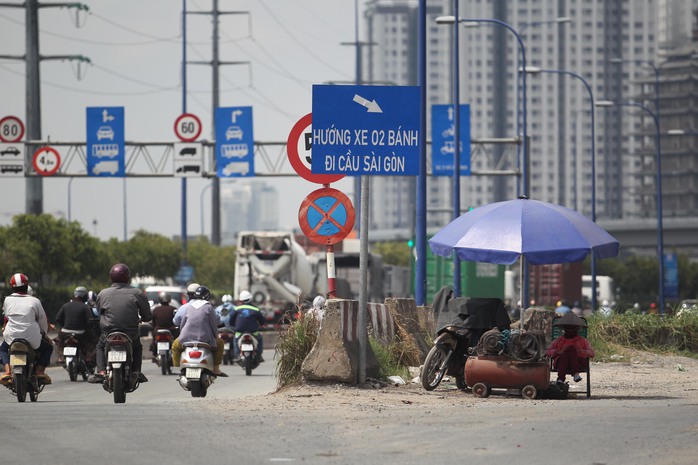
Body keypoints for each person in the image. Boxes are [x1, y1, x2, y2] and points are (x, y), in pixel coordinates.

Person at [88, 263, 152, 384]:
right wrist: (144, 318)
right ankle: (136, 371)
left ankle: (101, 371)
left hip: (108, 332)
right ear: (128, 277)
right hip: (130, 333)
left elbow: (100, 311)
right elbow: (147, 316)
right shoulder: (137, 293)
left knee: (100, 346)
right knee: (137, 347)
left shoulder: (103, 294)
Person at [1, 273, 54, 385]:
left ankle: (7, 371)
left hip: (11, 337)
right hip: (32, 338)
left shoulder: (7, 300)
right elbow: (43, 321)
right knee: (48, 347)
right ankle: (39, 371)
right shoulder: (35, 301)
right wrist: (45, 335)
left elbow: (6, 317)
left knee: (2, 349)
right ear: (27, 285)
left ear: (13, 287)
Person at [170, 285, 227, 376]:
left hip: (186, 339)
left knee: (175, 346)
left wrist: (182, 335)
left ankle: (178, 367)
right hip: (204, 339)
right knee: (220, 344)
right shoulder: (208, 307)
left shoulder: (189, 307)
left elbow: (182, 323)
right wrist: (216, 336)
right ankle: (216, 369)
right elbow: (214, 324)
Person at [54, 286, 98, 368]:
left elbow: (58, 318)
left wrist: (64, 326)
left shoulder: (65, 305)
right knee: (93, 340)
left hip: (65, 332)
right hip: (81, 333)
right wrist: (87, 327)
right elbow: (90, 321)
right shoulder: (85, 307)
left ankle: (60, 358)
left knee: (59, 342)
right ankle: (88, 357)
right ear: (84, 296)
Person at [546, 312, 595, 385]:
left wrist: (579, 351)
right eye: (568, 328)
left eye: (572, 328)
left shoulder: (582, 340)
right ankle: (575, 374)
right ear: (565, 329)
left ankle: (560, 378)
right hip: (561, 363)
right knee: (568, 350)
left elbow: (592, 353)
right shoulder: (559, 341)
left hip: (578, 364)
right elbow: (547, 352)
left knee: (571, 349)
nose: (570, 331)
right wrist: (559, 351)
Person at [230, 290, 266, 363]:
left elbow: (231, 320)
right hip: (253, 331)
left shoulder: (236, 309)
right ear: (250, 299)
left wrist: (233, 326)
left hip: (240, 331)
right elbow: (262, 320)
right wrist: (262, 324)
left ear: (240, 300)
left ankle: (237, 355)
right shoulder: (256, 309)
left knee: (235, 339)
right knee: (259, 339)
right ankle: (259, 355)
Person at [149, 291, 179, 360]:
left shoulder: (156, 309)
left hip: (158, 330)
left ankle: (154, 351)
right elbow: (176, 321)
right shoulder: (173, 309)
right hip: (170, 329)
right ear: (169, 299)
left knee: (154, 338)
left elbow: (153, 322)